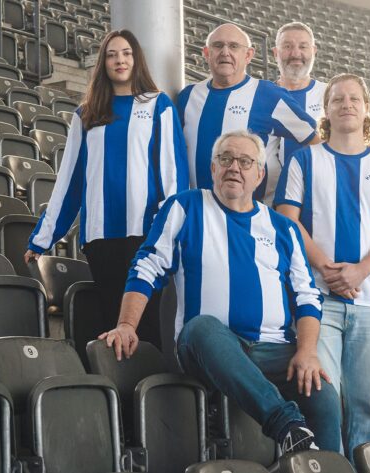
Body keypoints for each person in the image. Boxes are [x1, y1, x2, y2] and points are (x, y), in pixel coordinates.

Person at [98, 130, 342, 454]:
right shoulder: (185, 207)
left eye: (245, 161)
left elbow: (306, 295)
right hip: (207, 348)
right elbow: (147, 267)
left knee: (322, 390)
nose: (234, 167)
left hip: (273, 349)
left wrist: (307, 351)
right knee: (202, 326)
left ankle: (324, 464)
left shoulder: (282, 228)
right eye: (225, 159)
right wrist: (127, 324)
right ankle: (288, 428)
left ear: (260, 174)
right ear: (213, 168)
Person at [274, 73, 370, 459]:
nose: (346, 104)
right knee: (325, 398)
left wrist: (360, 270)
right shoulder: (305, 160)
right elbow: (286, 219)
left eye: (354, 99)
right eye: (338, 99)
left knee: (367, 406)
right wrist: (329, 269)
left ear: (367, 109)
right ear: (326, 109)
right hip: (318, 301)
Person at [25, 30, 188, 349]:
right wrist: (42, 239)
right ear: (103, 63)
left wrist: (171, 231)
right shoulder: (86, 114)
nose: (120, 60)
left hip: (146, 234)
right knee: (111, 324)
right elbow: (69, 182)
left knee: (147, 326)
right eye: (112, 54)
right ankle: (119, 395)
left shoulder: (158, 105)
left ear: (136, 58)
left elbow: (173, 175)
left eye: (126, 53)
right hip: (100, 236)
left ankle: (148, 394)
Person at [177, 23, 319, 201]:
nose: (225, 52)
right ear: (206, 53)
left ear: (248, 55)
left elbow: (314, 139)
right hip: (200, 212)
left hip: (254, 216)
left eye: (234, 46)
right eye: (218, 45)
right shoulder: (187, 97)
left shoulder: (268, 94)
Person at [264, 21, 327, 204]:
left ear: (313, 51)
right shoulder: (261, 94)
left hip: (317, 202)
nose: (295, 54)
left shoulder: (331, 95)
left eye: (303, 46)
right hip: (266, 203)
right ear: (276, 53)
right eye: (287, 46)